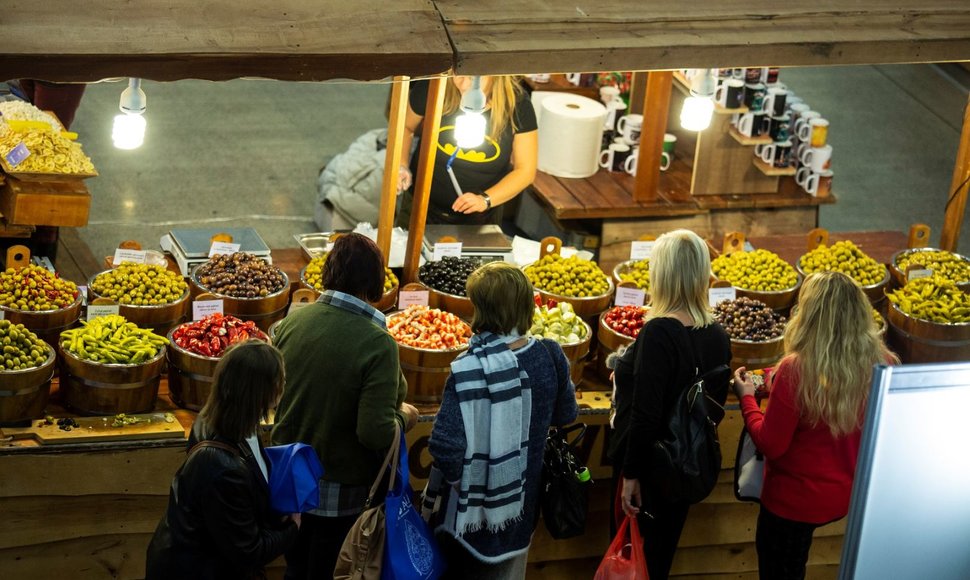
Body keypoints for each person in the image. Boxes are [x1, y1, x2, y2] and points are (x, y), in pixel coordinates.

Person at [270, 232, 419, 579]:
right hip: (339, 497)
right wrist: (404, 417)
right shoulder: (378, 343)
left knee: (297, 570)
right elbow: (374, 432)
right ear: (376, 281)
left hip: (292, 486)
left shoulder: (292, 323)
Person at [733, 271, 896, 579]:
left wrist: (747, 399)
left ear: (809, 315)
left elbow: (771, 445)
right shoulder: (882, 363)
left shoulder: (797, 370)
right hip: (842, 497)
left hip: (790, 506)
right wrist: (770, 379)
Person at [427, 261, 578, 578]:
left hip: (467, 523)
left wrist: (472, 489)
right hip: (521, 511)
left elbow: (444, 445)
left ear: (481, 309)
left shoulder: (470, 368)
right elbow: (567, 414)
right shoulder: (550, 354)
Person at [615, 229, 732, 580]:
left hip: (650, 470)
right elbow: (711, 405)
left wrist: (631, 475)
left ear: (662, 274)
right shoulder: (718, 334)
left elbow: (645, 415)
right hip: (685, 471)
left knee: (631, 564)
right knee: (659, 561)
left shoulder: (659, 332)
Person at [146, 340, 299, 580]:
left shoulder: (228, 423)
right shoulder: (223, 469)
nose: (285, 386)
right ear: (263, 392)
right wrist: (293, 528)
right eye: (281, 380)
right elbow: (249, 552)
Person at [395, 75, 538, 226]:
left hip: (479, 217)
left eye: (472, 78)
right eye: (459, 77)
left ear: (495, 74)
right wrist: (401, 164)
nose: (464, 85)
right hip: (420, 204)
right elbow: (405, 126)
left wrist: (485, 199)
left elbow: (525, 171)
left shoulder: (517, 103)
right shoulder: (433, 87)